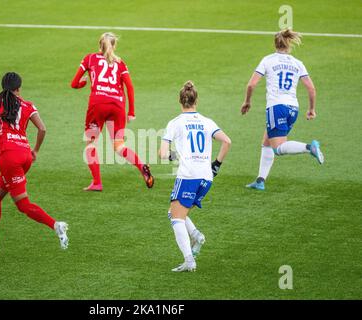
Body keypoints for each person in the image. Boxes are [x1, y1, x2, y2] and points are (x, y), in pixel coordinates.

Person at [0, 72, 68, 257]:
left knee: (23, 205)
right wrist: (35, 150)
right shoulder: (28, 105)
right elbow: (42, 128)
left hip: (9, 158)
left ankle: (56, 225)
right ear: (18, 88)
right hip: (25, 156)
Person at [159, 81, 231, 272]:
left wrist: (177, 156)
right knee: (174, 213)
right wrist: (216, 165)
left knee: (176, 219)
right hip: (206, 177)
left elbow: (163, 154)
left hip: (188, 176)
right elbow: (227, 141)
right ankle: (197, 236)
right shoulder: (207, 122)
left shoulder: (175, 123)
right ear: (195, 100)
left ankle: (189, 260)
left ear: (180, 101)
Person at [241, 29, 324, 191]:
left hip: (276, 107)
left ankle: (309, 147)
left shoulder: (268, 60)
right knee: (267, 141)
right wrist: (312, 109)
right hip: (293, 108)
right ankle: (260, 180)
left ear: (275, 44)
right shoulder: (297, 63)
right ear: (289, 45)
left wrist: (247, 102)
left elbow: (251, 84)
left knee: (278, 148)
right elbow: (311, 88)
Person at [71, 32, 154, 191]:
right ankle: (141, 165)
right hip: (117, 106)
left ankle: (97, 182)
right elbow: (129, 87)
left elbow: (74, 83)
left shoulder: (89, 58)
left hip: (98, 104)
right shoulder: (120, 63)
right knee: (119, 146)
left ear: (99, 45)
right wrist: (132, 112)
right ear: (114, 46)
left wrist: (82, 84)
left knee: (91, 143)